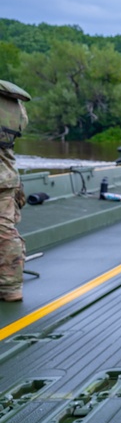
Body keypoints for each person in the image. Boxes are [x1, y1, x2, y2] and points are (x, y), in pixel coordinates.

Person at [0, 80, 30, 302]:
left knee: (4, 234)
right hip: (7, 175)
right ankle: (11, 286)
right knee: (6, 230)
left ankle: (10, 288)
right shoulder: (13, 101)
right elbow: (22, 125)